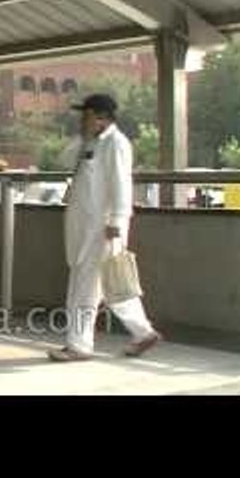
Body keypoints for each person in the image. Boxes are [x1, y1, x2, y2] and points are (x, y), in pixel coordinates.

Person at [49, 94, 161, 362]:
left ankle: (78, 345)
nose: (82, 120)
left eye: (87, 116)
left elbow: (122, 184)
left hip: (102, 227)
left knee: (86, 285)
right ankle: (143, 333)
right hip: (85, 226)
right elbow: (63, 160)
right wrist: (83, 138)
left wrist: (117, 222)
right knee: (110, 283)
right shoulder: (91, 143)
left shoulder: (116, 144)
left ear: (102, 118)